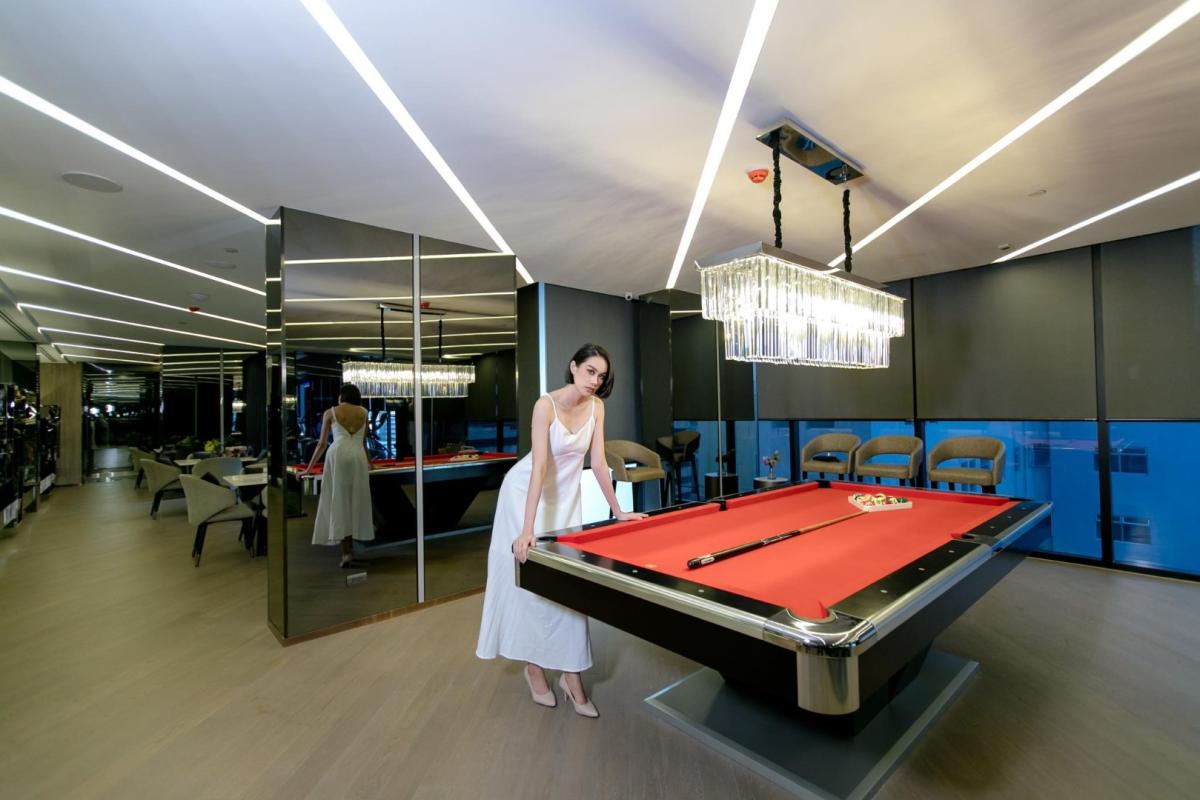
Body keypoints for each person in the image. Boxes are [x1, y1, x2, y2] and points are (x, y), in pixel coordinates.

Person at [476, 344, 646, 718]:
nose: (595, 381)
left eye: (601, 376)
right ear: (573, 367)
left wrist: (618, 510)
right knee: (528, 587)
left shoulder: (597, 407)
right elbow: (538, 467)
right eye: (589, 371)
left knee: (568, 589)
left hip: (565, 503)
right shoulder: (545, 406)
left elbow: (598, 464)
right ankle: (534, 668)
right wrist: (526, 530)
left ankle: (572, 674)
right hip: (524, 498)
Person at [302, 383, 374, 567]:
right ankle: (351, 548)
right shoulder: (364, 412)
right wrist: (370, 462)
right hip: (358, 456)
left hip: (338, 456)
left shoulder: (331, 412)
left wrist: (308, 469)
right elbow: (363, 442)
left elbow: (321, 444)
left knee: (339, 500)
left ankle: (346, 553)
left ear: (342, 396)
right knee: (356, 499)